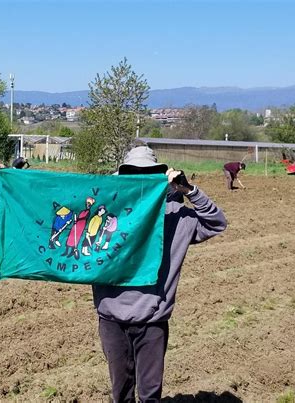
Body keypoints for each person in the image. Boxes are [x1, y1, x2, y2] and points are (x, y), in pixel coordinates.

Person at [92, 145, 227, 401]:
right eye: (133, 174)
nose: (141, 180)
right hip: (111, 318)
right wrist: (6, 177)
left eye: (149, 173)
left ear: (160, 176)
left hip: (152, 320)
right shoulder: (110, 213)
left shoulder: (178, 217)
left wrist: (189, 191)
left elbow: (216, 223)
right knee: (120, 393)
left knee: (150, 394)